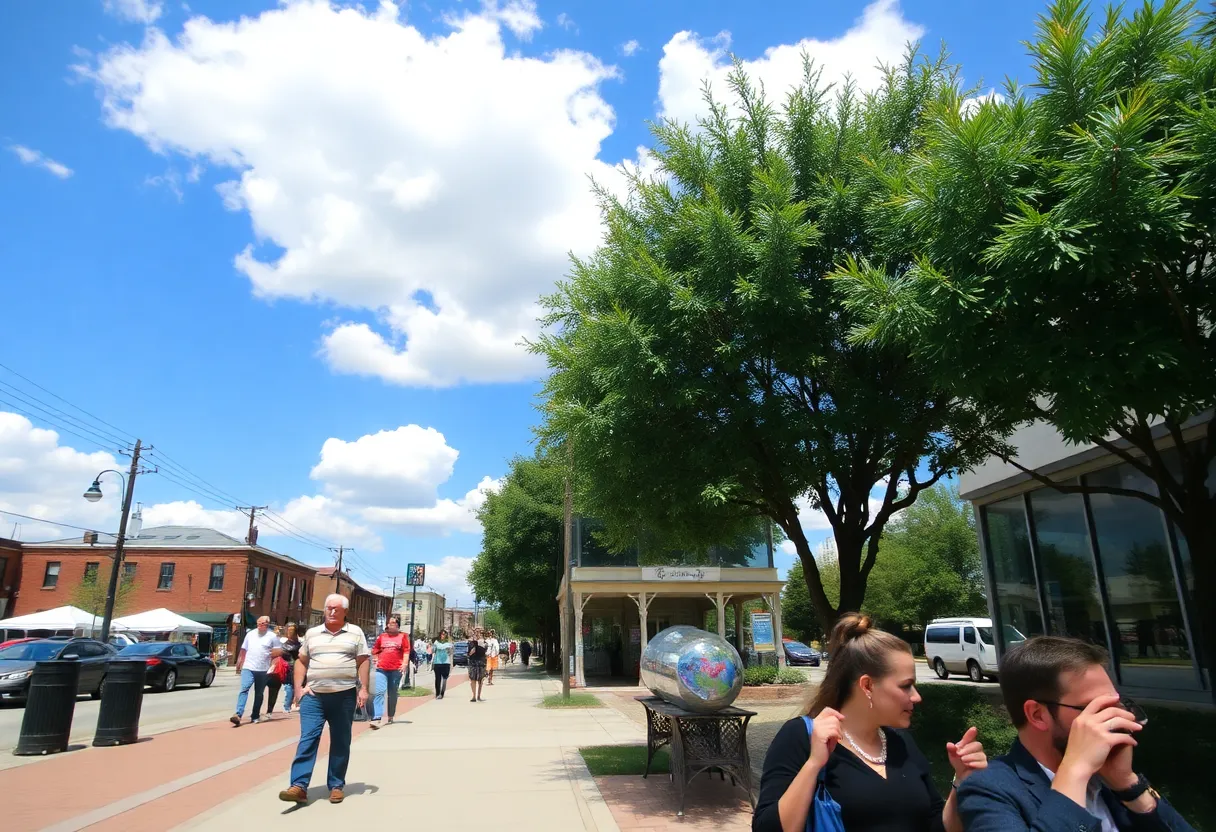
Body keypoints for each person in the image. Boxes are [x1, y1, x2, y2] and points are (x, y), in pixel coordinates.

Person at [753, 614, 987, 832]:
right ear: (867, 686)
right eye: (905, 686)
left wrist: (961, 781)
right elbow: (768, 827)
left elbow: (939, 825)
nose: (916, 697)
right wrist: (814, 764)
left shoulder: (900, 742)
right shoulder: (802, 736)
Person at [957, 636, 1196, 832]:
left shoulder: (1110, 778)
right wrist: (1075, 770)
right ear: (1037, 715)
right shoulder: (989, 789)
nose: (1123, 719)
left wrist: (1128, 786)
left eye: (1118, 705)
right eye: (1096, 709)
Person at [278, 594, 370, 806]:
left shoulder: (355, 632)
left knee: (340, 741)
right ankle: (299, 786)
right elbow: (302, 660)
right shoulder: (312, 633)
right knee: (308, 739)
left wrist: (363, 688)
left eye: (336, 608)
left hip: (344, 695)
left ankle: (336, 785)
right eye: (328, 607)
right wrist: (299, 689)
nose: (331, 611)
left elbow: (363, 661)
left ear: (345, 611)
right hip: (314, 697)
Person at [231, 616, 282, 726]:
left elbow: (279, 651)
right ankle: (238, 714)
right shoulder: (250, 634)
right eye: (258, 623)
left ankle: (255, 715)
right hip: (248, 667)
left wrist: (273, 663)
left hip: (263, 669)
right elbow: (244, 650)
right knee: (244, 688)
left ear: (267, 624)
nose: (260, 625)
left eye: (262, 623)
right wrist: (239, 663)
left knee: (259, 693)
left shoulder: (272, 636)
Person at [369, 615, 407, 729]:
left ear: (398, 625)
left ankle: (390, 715)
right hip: (382, 668)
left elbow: (406, 651)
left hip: (396, 669)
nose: (391, 625)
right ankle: (376, 717)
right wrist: (375, 658)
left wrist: (404, 664)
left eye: (393, 623)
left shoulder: (402, 637)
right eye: (389, 623)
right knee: (379, 692)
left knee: (392, 693)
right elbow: (375, 650)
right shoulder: (382, 637)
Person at [280, 623, 302, 715]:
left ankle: (288, 706)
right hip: (292, 668)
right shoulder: (299, 644)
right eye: (289, 630)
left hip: (291, 668)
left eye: (292, 630)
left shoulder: (285, 644)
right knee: (292, 687)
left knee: (290, 687)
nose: (290, 632)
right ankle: (289, 705)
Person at [430, 629, 453, 699]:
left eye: (444, 634)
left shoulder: (449, 643)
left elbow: (450, 653)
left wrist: (448, 649)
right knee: (437, 678)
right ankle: (437, 693)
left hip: (446, 662)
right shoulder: (436, 642)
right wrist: (433, 646)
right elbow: (432, 651)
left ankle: (442, 693)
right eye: (442, 634)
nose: (443, 636)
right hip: (437, 662)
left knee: (445, 678)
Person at [467, 627, 488, 702]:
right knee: (472, 679)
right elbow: (469, 652)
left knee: (480, 680)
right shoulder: (471, 642)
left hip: (481, 662)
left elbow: (484, 650)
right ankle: (473, 696)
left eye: (479, 632)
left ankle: (479, 696)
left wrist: (477, 646)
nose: (477, 633)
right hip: (473, 662)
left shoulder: (484, 642)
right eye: (476, 631)